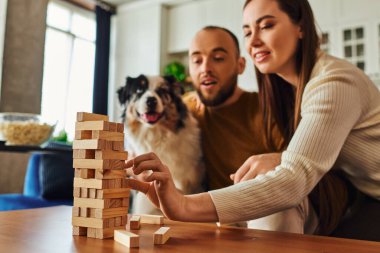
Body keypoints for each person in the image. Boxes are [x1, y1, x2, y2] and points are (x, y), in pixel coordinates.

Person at [125, 0, 380, 238]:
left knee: (275, 202)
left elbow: (294, 177)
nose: (255, 40)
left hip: (367, 196)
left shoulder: (332, 83)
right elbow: (151, 122)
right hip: (356, 190)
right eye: (247, 32)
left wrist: (184, 205)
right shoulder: (192, 108)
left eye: (267, 26)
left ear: (301, 27)